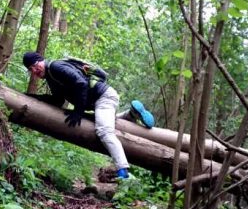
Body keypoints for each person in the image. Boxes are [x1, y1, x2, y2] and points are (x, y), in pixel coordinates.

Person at [23, 52, 155, 179]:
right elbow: (58, 100)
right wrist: (33, 98)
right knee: (103, 121)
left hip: (104, 98)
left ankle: (123, 171)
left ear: (41, 60)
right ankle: (131, 114)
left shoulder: (55, 67)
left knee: (104, 131)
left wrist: (78, 112)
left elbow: (81, 83)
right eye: (31, 69)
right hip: (98, 101)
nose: (35, 70)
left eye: (35, 65)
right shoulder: (51, 77)